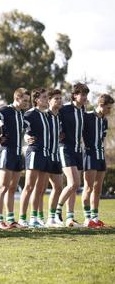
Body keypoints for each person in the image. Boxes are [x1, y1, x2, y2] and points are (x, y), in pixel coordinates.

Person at [0, 88, 29, 229]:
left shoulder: (22, 113)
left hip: (17, 154)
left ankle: (11, 220)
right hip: (6, 152)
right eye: (25, 100)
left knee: (13, 188)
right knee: (2, 187)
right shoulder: (5, 110)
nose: (27, 103)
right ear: (17, 98)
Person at [55, 83, 89, 227]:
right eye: (82, 94)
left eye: (86, 94)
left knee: (75, 186)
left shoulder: (83, 111)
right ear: (75, 95)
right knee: (74, 183)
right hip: (65, 149)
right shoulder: (64, 109)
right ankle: (56, 212)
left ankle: (70, 218)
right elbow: (53, 120)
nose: (85, 97)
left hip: (77, 150)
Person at [19, 88, 50, 228]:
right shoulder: (29, 113)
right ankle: (22, 218)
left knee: (40, 188)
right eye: (44, 97)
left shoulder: (46, 115)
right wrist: (26, 137)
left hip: (45, 153)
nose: (47, 99)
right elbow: (22, 128)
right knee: (29, 186)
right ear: (37, 100)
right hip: (34, 152)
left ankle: (34, 218)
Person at [82, 93, 113, 228]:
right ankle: (87, 218)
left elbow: (102, 139)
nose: (110, 111)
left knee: (98, 189)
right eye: (108, 108)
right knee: (88, 188)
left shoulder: (104, 121)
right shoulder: (87, 117)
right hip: (89, 155)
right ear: (101, 105)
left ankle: (95, 218)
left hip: (101, 157)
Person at [44, 89, 64, 227]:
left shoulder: (59, 117)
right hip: (44, 156)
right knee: (39, 189)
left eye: (60, 98)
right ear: (49, 100)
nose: (59, 101)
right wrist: (27, 137)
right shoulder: (44, 115)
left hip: (56, 156)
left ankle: (52, 218)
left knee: (58, 187)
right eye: (55, 98)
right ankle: (36, 218)